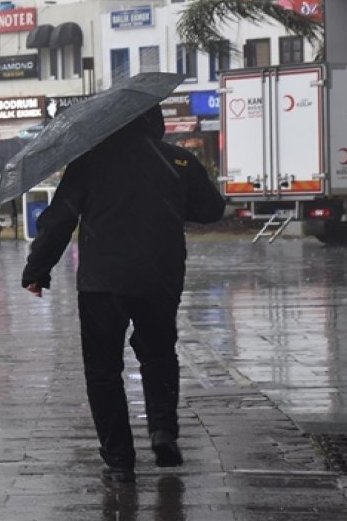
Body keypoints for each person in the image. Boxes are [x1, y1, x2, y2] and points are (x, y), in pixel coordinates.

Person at [20, 105, 225, 484]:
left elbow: (59, 220)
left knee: (103, 370)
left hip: (103, 283)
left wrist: (37, 271)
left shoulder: (89, 162)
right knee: (159, 355)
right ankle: (162, 430)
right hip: (159, 279)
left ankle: (119, 460)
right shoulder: (177, 160)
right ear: (156, 123)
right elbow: (212, 209)